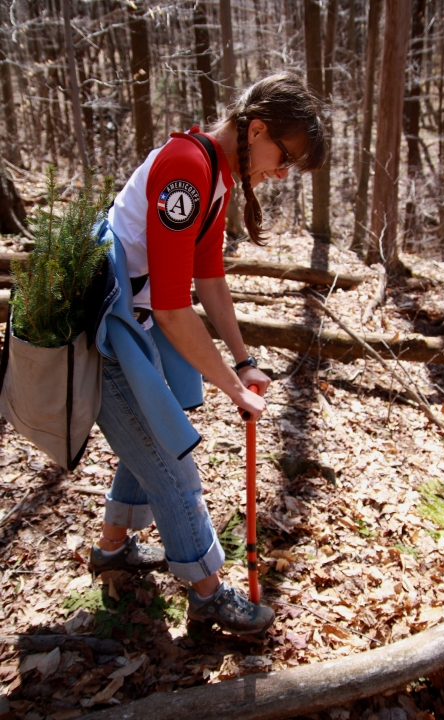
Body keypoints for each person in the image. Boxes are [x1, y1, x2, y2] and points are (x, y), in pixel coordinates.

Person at [88, 73, 326, 636]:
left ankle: (112, 549)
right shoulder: (187, 170)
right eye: (284, 157)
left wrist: (243, 361)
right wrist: (231, 387)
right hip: (102, 331)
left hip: (132, 322)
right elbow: (174, 308)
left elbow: (209, 278)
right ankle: (208, 594)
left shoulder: (215, 170)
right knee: (170, 462)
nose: (281, 173)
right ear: (258, 128)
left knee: (146, 439)